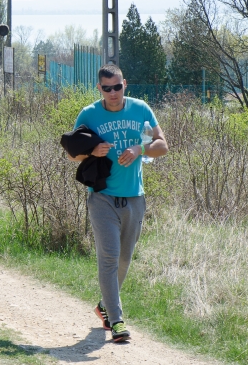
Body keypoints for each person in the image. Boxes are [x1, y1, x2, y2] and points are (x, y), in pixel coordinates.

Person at [67, 64, 168, 343]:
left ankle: (104, 306)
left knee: (124, 259)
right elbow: (72, 154)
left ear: (126, 84)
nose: (113, 93)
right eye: (107, 88)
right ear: (99, 88)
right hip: (102, 197)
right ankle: (117, 319)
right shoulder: (89, 114)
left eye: (117, 87)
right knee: (109, 258)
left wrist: (140, 149)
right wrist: (90, 150)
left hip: (135, 196)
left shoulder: (141, 110)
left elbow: (163, 145)